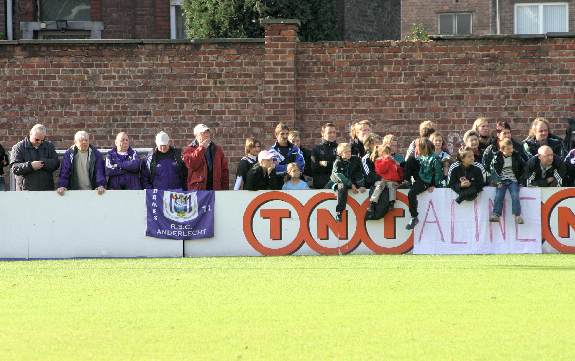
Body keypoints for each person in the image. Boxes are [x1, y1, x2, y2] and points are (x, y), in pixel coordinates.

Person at [405, 138, 443, 230]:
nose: (416, 149)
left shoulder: (435, 158)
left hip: (426, 181)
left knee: (411, 193)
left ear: (423, 148)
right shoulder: (422, 156)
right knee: (407, 161)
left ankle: (414, 217)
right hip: (421, 177)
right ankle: (405, 181)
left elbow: (438, 173)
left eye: (417, 147)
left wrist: (433, 184)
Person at [10, 124, 60, 191]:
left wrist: (44, 163)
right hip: (25, 190)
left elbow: (56, 163)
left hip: (46, 190)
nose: (39, 142)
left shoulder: (49, 146)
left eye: (42, 140)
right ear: (30, 134)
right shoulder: (18, 147)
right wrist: (30, 166)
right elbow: (15, 168)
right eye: (37, 139)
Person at [57, 130, 106, 195]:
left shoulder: (96, 154)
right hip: (74, 192)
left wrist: (100, 185)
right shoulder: (69, 154)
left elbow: (99, 171)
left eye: (86, 140)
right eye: (81, 140)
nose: (84, 142)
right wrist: (62, 186)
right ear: (75, 142)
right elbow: (65, 172)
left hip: (93, 191)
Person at [182, 123, 229, 191]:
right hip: (198, 191)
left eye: (207, 132)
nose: (206, 135)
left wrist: (225, 190)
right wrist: (201, 148)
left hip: (216, 190)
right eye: (203, 133)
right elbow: (192, 165)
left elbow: (224, 170)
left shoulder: (217, 149)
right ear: (196, 135)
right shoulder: (189, 150)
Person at [490, 138, 525, 224]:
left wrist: (520, 181)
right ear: (502, 149)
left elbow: (523, 168)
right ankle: (495, 214)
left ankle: (517, 215)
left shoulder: (516, 156)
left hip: (513, 180)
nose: (511, 150)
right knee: (499, 196)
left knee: (515, 195)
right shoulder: (496, 157)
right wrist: (497, 181)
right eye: (508, 149)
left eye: (511, 148)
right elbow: (493, 170)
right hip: (501, 181)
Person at [328, 143, 366, 221]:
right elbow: (339, 176)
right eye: (346, 152)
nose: (349, 153)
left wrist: (361, 185)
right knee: (342, 186)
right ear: (340, 154)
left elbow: (359, 173)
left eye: (349, 151)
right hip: (337, 182)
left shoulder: (355, 160)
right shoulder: (337, 162)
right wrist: (351, 184)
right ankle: (339, 212)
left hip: (351, 181)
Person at [268, 122, 305, 189]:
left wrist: (282, 167)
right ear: (276, 135)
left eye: (287, 134)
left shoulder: (296, 149)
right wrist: (290, 167)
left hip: (294, 186)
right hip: (277, 185)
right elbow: (273, 168)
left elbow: (301, 165)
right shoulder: (271, 152)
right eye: (282, 134)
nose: (285, 136)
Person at [372, 145, 403, 210]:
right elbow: (381, 170)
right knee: (380, 185)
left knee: (392, 186)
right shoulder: (378, 161)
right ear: (381, 153)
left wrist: (400, 178)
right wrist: (386, 160)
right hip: (382, 181)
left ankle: (391, 202)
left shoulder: (392, 161)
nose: (389, 154)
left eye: (389, 152)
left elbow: (398, 171)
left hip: (391, 181)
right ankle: (373, 202)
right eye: (386, 152)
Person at [310, 123, 338, 189]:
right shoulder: (316, 149)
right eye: (329, 132)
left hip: (336, 184)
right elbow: (314, 167)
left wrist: (325, 163)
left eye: (334, 132)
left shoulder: (339, 148)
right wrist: (332, 164)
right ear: (323, 134)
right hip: (321, 185)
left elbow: (340, 165)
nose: (332, 134)